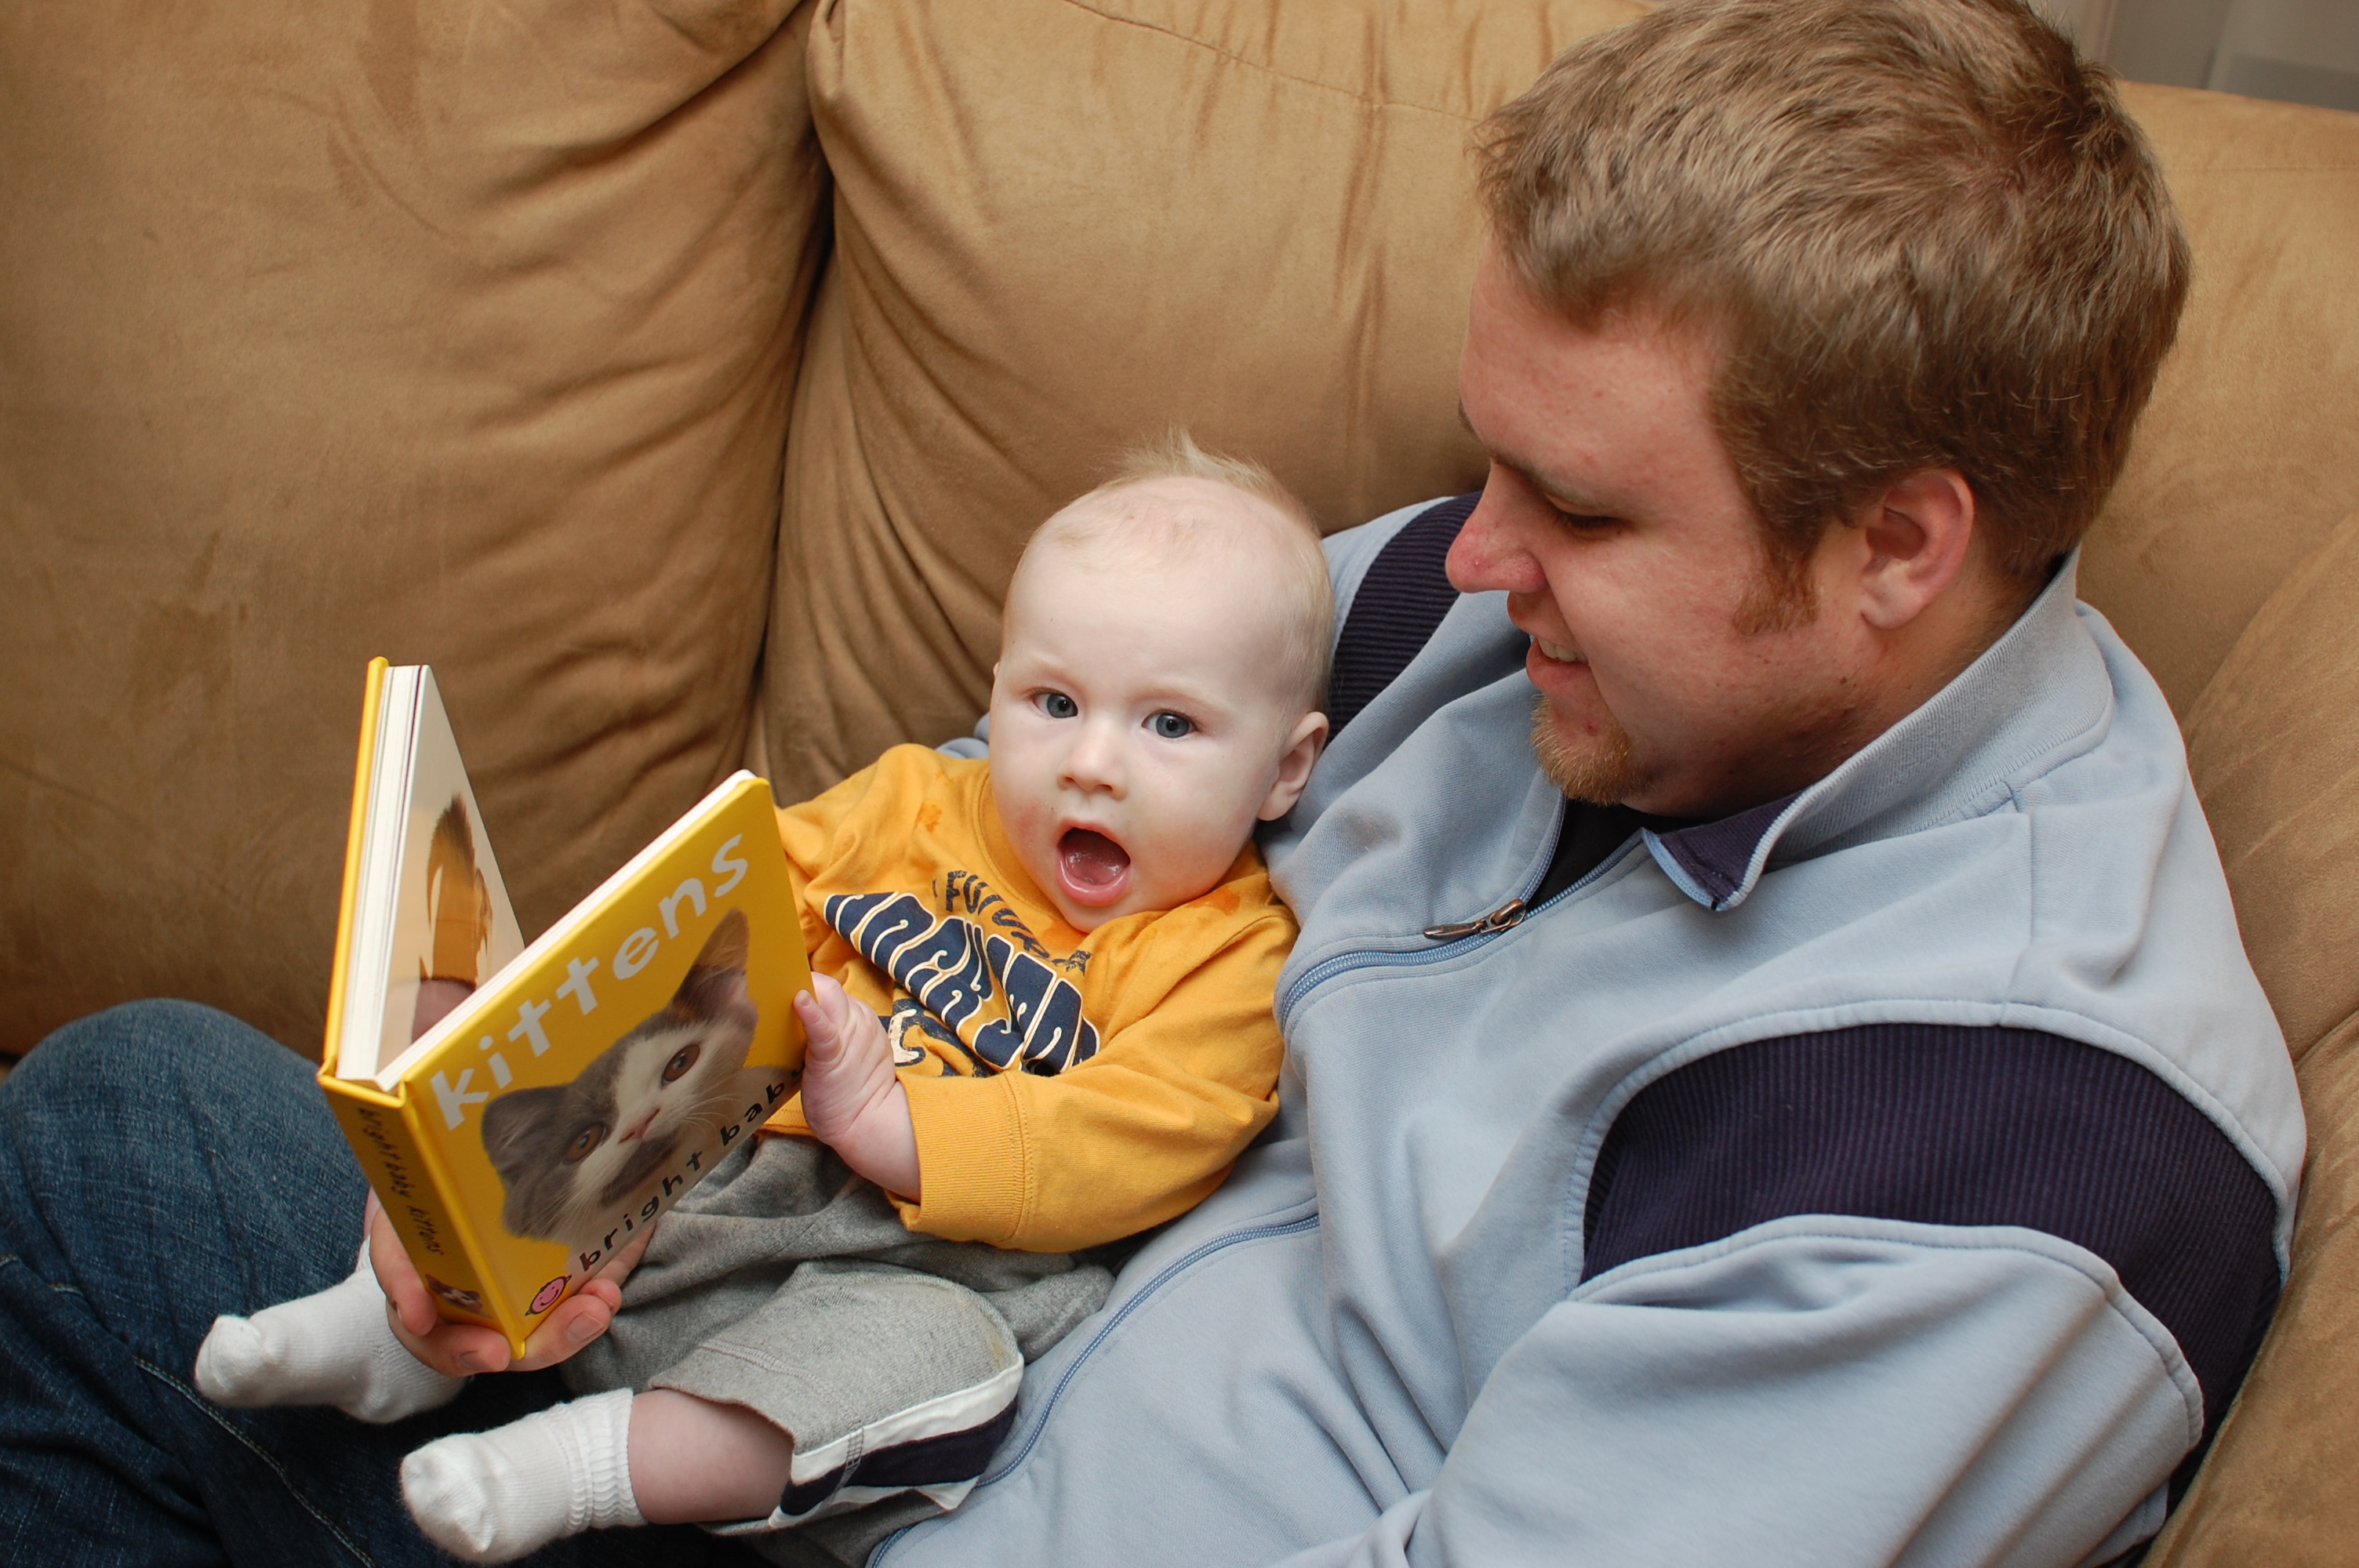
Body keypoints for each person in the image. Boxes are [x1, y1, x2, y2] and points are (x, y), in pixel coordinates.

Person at [0, 2, 2303, 1564]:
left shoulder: (2000, 1169)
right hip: (791, 1390)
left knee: (109, 1169)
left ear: (1899, 544)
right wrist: (561, 1169)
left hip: (901, 1473)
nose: (1461, 553)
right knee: (151, 1123)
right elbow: (959, 855)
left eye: (1583, 508)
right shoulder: (1464, 620)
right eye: (1488, 459)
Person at [171, 440, 1329, 1564]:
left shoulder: (1233, 953)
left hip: (918, 1269)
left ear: (1286, 766)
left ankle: (580, 1467)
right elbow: (748, 887)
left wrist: (896, 1125)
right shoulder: (919, 797)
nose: (1092, 763)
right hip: (719, 1163)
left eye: (1169, 725)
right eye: (1055, 701)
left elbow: (1147, 1132)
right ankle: (391, 1338)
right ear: (997, 688)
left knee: (949, 1364)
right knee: (549, 1145)